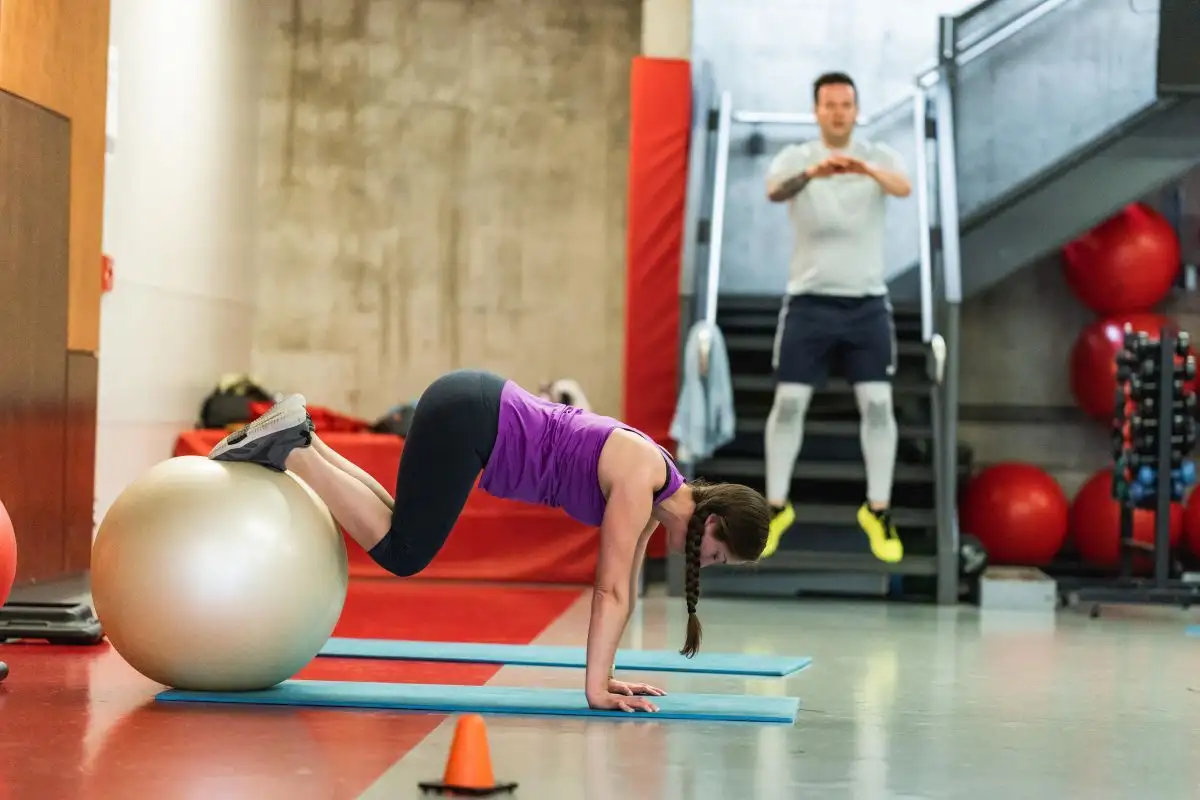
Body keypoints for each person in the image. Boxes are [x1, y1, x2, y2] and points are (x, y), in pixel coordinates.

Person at [208, 369, 770, 713]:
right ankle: (296, 449)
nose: (708, 562)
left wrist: (606, 675)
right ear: (713, 525)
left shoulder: (656, 488)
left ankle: (299, 434)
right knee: (404, 553)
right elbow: (610, 592)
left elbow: (620, 585)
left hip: (470, 405)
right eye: (717, 555)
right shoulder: (643, 478)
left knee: (403, 527)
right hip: (471, 419)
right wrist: (594, 690)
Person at [760, 71, 912, 564]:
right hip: (808, 303)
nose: (839, 112)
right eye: (830, 104)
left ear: (856, 109)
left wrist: (864, 171)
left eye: (846, 104)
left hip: (866, 304)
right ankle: (776, 507)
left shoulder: (878, 156)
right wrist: (815, 174)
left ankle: (878, 508)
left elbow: (903, 187)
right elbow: (774, 192)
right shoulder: (797, 159)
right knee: (789, 404)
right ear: (817, 110)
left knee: (878, 404)